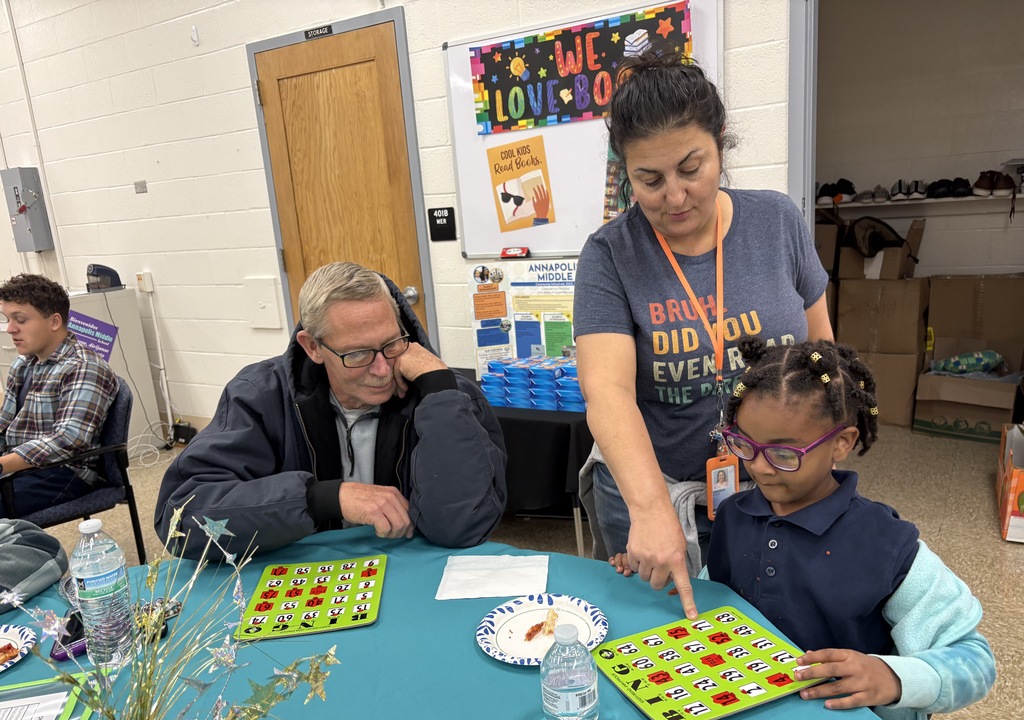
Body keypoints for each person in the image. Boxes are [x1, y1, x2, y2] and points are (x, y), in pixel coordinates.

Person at [573, 52, 831, 617]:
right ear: (625, 172)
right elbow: (607, 392)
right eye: (650, 180)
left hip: (772, 482)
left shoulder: (777, 222)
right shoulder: (610, 255)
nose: (675, 196)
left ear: (720, 143)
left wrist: (819, 465)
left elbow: (822, 356)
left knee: (772, 629)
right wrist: (649, 510)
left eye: (691, 168)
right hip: (653, 487)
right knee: (654, 636)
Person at [704, 336, 994, 720]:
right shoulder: (734, 513)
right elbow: (713, 596)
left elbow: (975, 660)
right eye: (745, 444)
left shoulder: (887, 543)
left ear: (841, 442)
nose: (760, 467)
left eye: (784, 453)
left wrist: (890, 676)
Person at [155, 262, 508, 560]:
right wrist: (321, 499)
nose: (383, 369)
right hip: (300, 576)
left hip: (410, 571)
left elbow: (463, 527)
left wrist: (439, 392)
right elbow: (180, 517)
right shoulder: (261, 396)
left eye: (391, 344)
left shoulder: (448, 395)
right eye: (358, 354)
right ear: (312, 347)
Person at [0, 273, 118, 516]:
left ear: (54, 321)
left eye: (20, 320)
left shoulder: (84, 367)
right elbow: (5, 425)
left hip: (65, 471)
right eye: (7, 319)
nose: (10, 329)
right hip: (20, 465)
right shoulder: (22, 365)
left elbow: (67, 440)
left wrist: (4, 464)